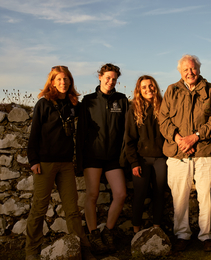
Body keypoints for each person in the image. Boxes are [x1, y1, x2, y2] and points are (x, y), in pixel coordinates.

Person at [26, 66, 95, 260]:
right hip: (44, 163)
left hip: (65, 164)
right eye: (59, 79)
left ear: (70, 82)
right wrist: (33, 160)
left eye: (66, 79)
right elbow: (34, 135)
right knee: (39, 208)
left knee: (72, 209)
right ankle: (31, 251)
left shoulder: (74, 104)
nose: (63, 83)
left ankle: (82, 247)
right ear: (52, 82)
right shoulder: (44, 104)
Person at [159, 54, 211, 252]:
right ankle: (182, 235)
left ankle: (206, 236)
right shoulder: (172, 90)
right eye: (186, 69)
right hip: (178, 154)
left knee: (206, 196)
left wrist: (195, 137)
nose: (190, 72)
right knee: (180, 197)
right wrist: (179, 139)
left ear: (199, 69)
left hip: (204, 151)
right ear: (180, 71)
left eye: (193, 68)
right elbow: (163, 119)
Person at [77, 63, 128, 255]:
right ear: (100, 77)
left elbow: (126, 130)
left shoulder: (121, 100)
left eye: (114, 79)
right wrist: (79, 161)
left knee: (121, 194)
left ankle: (108, 231)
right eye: (107, 77)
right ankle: (94, 234)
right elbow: (81, 132)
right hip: (93, 156)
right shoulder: (88, 100)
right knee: (92, 195)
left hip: (114, 158)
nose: (110, 81)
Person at [125, 75, 167, 234]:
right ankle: (136, 231)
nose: (148, 89)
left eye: (151, 86)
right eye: (144, 87)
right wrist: (134, 162)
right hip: (141, 159)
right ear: (139, 91)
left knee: (159, 193)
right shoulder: (133, 109)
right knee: (140, 194)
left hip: (160, 159)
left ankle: (157, 229)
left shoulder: (163, 106)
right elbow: (129, 139)